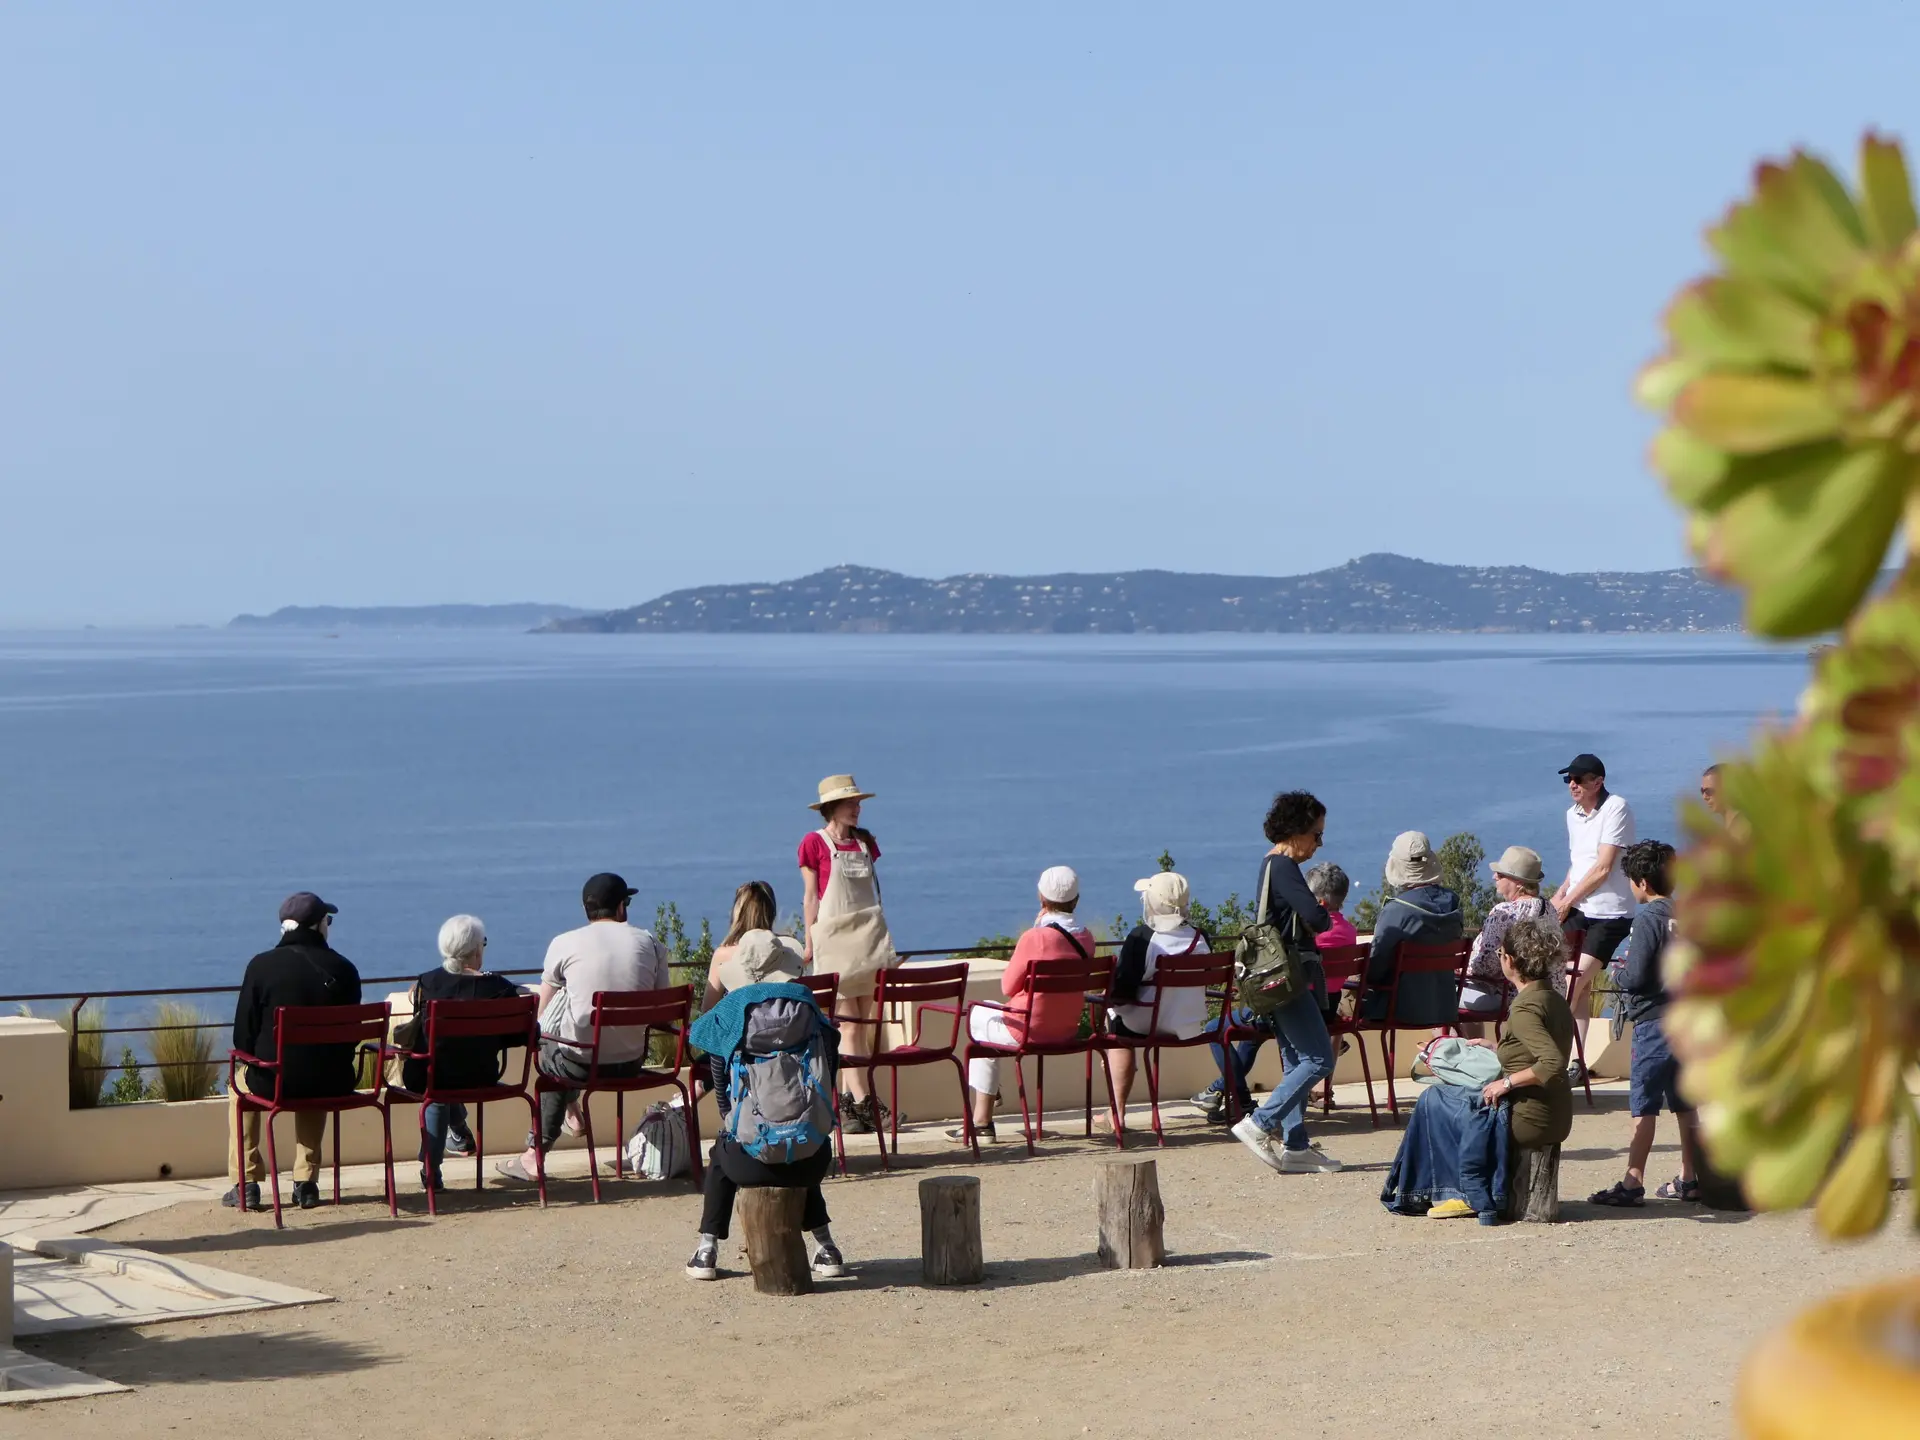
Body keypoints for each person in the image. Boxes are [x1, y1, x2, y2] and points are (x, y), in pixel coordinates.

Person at [1380, 914, 1573, 1221]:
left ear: (1510, 959)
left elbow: (1552, 1063)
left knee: (1433, 1100)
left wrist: (1505, 1084)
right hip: (1555, 1114)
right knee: (1454, 1099)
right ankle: (1452, 1189)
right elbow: (1541, 1049)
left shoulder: (1524, 1008)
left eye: (1500, 954)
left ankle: (1462, 1192)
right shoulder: (1552, 997)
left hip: (1529, 1117)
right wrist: (1497, 1048)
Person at [495, 873, 672, 1183]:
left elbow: (543, 1010)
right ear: (621, 908)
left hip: (579, 1067)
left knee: (553, 1061)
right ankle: (571, 1111)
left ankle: (535, 1155)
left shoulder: (565, 943)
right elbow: (662, 1012)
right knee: (567, 1057)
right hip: (631, 1063)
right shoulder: (650, 943)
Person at [684, 979, 845, 1281]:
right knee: (801, 1134)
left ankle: (707, 1250)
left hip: (749, 1164)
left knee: (722, 1150)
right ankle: (827, 1247)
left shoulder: (732, 1016)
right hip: (812, 1164)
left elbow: (723, 1100)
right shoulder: (809, 1010)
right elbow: (830, 1073)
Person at [1226, 791, 1345, 1175]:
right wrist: (1323, 917)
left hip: (1270, 980)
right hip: (1287, 977)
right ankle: (1260, 1123)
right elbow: (1313, 913)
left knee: (1295, 1058)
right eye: (1316, 833)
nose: (1318, 843)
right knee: (1319, 1058)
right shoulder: (1284, 867)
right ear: (1295, 830)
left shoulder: (1269, 865)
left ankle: (1296, 1146)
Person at [225, 891, 363, 1211]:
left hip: (273, 1083)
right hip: (334, 1082)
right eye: (328, 920)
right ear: (316, 927)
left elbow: (242, 1039)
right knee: (318, 1069)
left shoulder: (261, 967)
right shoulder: (345, 970)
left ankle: (246, 1183)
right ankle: (306, 1181)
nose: (329, 925)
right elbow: (351, 1037)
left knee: (236, 1086)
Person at [1192, 858, 1353, 1122]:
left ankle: (1234, 1096)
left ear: (1317, 902)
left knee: (1215, 1028)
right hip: (1325, 1011)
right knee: (1251, 1034)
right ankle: (1228, 1095)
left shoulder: (1306, 934)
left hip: (1293, 1009)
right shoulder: (1348, 932)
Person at [947, 866, 1098, 1145]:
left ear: (1042, 898)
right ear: (1076, 899)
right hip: (1066, 1029)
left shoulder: (1035, 937)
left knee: (978, 1016)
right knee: (986, 1030)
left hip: (1027, 1030)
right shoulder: (1086, 938)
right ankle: (986, 1105)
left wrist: (1036, 930)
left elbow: (1008, 987)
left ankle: (982, 1119)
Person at [1590, 841, 1704, 1206]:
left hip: (1653, 1023)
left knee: (1644, 1105)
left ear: (1641, 881)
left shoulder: (1647, 919)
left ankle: (1633, 1180)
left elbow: (1636, 975)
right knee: (1686, 1105)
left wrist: (1616, 972)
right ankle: (1691, 1176)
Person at [799, 774, 895, 1134]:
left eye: (857, 802)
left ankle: (852, 1110)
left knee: (861, 1027)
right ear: (831, 808)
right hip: (835, 942)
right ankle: (867, 1101)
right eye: (851, 803)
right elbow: (812, 897)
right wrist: (809, 941)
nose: (858, 808)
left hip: (867, 941)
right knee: (850, 1025)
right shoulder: (814, 843)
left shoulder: (866, 841)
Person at [400, 915, 521, 1192]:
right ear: (477, 950)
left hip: (430, 1076)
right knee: (448, 1072)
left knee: (439, 1085)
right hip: (483, 1076)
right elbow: (519, 1036)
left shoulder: (427, 983)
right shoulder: (499, 988)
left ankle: (431, 1170)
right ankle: (457, 1131)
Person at [1549, 754, 1636, 1083]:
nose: (1572, 784)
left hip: (1609, 913)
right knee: (1578, 989)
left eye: (1579, 778)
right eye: (1568, 779)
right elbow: (1580, 864)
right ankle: (1576, 1063)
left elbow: (1603, 867)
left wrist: (1566, 901)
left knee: (1571, 984)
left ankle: (1551, 1061)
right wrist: (1559, 897)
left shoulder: (1616, 808)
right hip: (1578, 909)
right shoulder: (1572, 815)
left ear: (1597, 782)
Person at [1101, 871, 1210, 1130]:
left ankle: (1116, 1111)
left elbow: (1122, 990)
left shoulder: (1143, 938)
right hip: (1189, 1023)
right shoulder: (1200, 937)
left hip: (1146, 1024)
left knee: (1113, 1017)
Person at [1359, 831, 1464, 1027]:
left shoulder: (1396, 910)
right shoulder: (1453, 903)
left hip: (1400, 1007)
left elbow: (1375, 968)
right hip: (1445, 1005)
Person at [1458, 845, 1551, 1038]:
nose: (1494, 877)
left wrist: (1464, 969)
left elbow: (1485, 965)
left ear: (1518, 882)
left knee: (1439, 995)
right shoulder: (1548, 909)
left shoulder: (1504, 912)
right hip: (1546, 994)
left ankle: (1464, 1061)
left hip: (1509, 996)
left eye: (1500, 875)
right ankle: (1476, 1054)